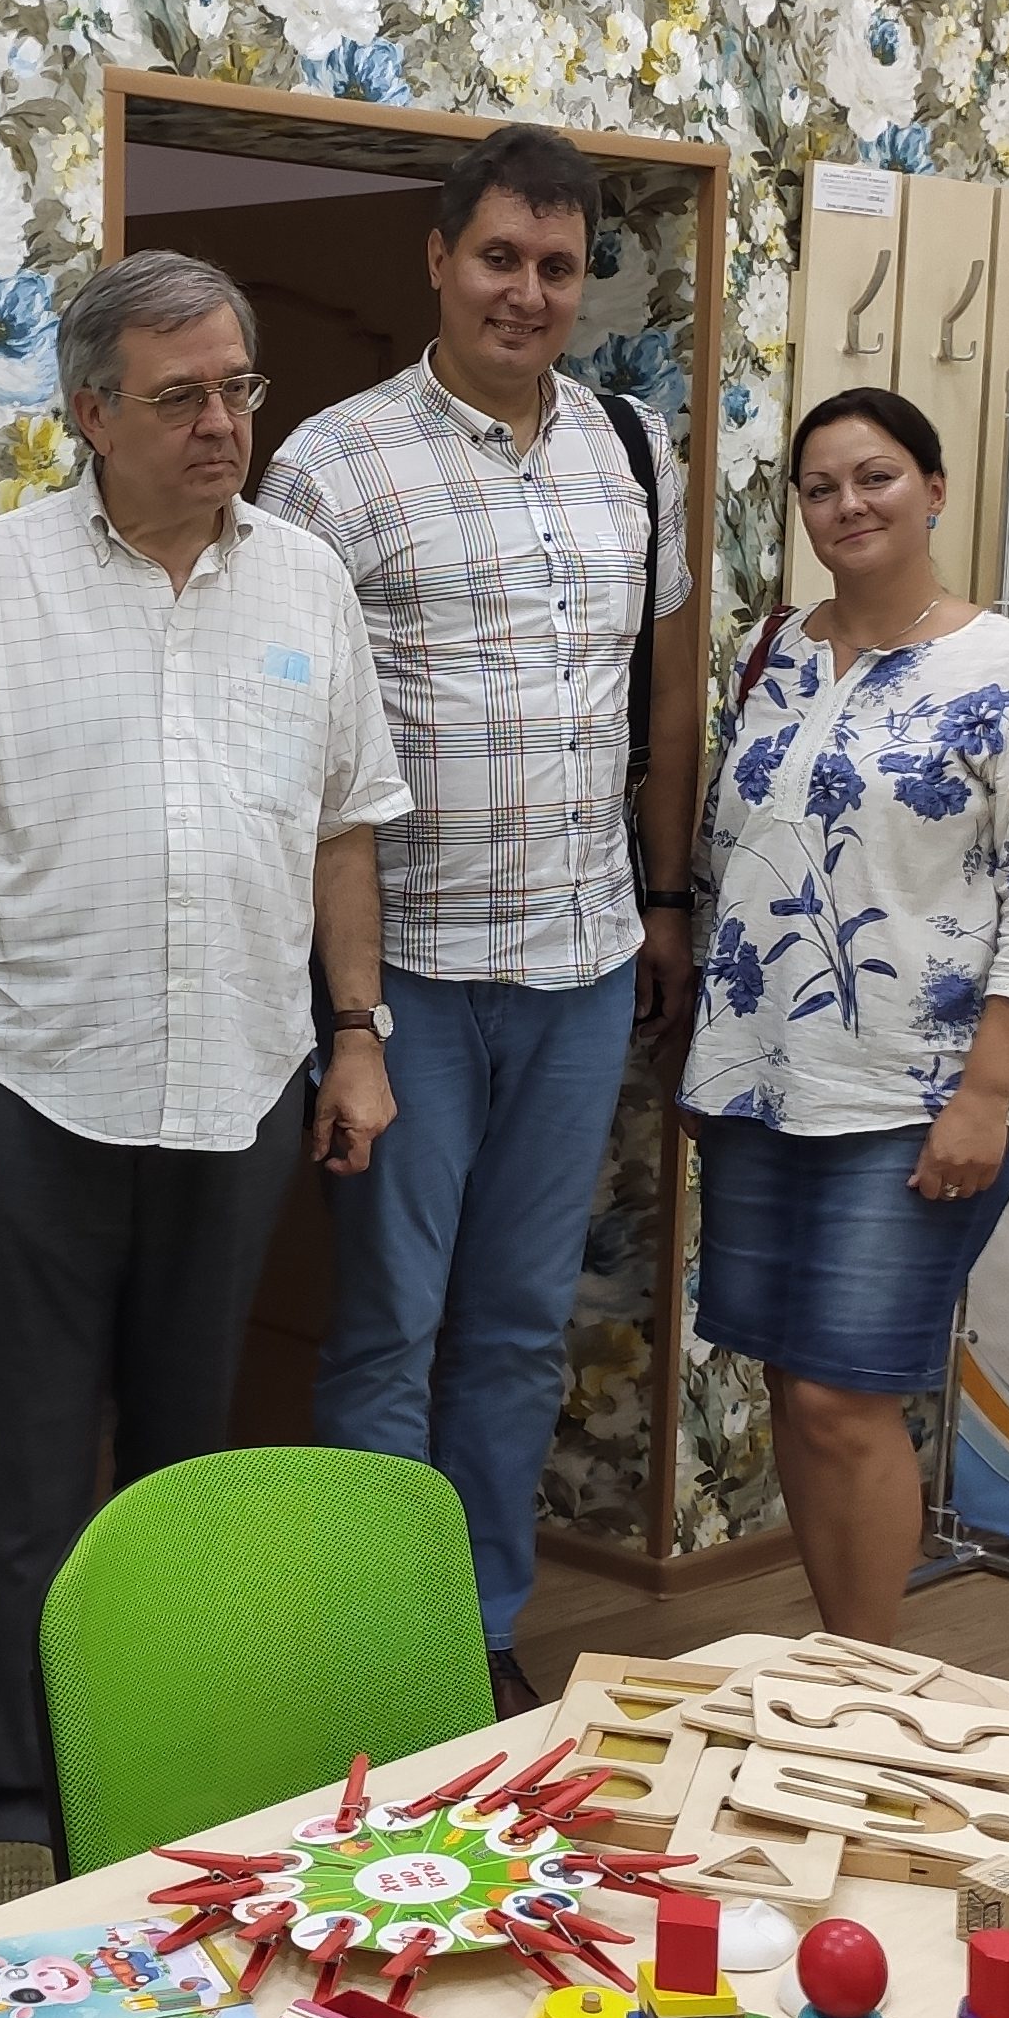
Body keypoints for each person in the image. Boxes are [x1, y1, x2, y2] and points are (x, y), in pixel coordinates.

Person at [0, 252, 412, 1912]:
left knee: (191, 1468)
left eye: (238, 388)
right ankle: (19, 1805)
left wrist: (359, 1032)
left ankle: (165, 1776)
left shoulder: (306, 583)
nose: (221, 424)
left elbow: (342, 828)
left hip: (241, 1084)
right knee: (38, 1471)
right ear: (90, 413)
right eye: (181, 397)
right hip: (38, 1081)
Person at [263, 127, 701, 1712]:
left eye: (558, 267)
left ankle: (476, 1632)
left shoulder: (636, 451)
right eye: (501, 258)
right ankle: (374, 1655)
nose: (529, 292)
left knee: (517, 1327)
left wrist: (665, 901)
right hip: (410, 980)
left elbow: (662, 702)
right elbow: (288, 737)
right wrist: (341, 1005)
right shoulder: (330, 465)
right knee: (390, 1326)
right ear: (439, 260)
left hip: (581, 965)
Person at [682, 385, 1009, 1639]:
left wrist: (987, 1098)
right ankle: (832, 1661)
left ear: (934, 489)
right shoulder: (774, 653)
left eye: (875, 477)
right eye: (820, 487)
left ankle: (865, 1679)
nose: (847, 505)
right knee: (792, 1387)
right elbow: (734, 856)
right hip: (760, 1080)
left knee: (845, 1395)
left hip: (919, 1094)